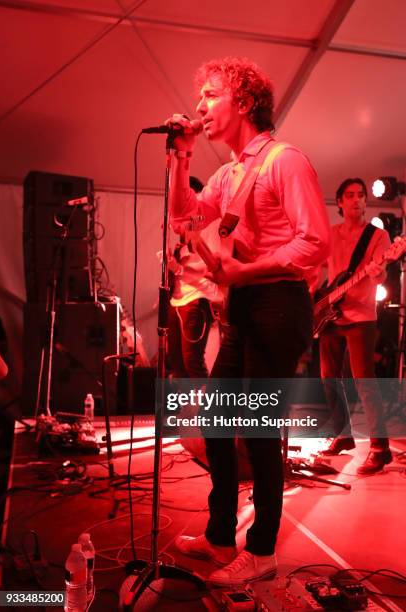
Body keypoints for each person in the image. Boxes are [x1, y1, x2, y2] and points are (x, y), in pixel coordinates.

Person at [166, 56, 330, 586]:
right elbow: (183, 215)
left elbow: (314, 243)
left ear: (244, 102)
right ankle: (219, 537)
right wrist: (180, 154)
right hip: (241, 302)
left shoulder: (286, 161)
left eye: (211, 95)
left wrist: (245, 270)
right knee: (216, 420)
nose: (200, 106)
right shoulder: (229, 173)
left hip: (278, 305)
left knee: (259, 431)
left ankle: (261, 550)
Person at [319, 178, 393, 474]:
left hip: (361, 314)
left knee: (365, 381)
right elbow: (320, 272)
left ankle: (380, 447)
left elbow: (380, 275)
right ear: (339, 202)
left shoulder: (378, 235)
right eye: (349, 195)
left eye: (361, 196)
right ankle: (342, 434)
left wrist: (377, 273)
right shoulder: (330, 233)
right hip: (330, 313)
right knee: (328, 378)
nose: (357, 200)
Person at [167, 176, 219, 379]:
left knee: (192, 361)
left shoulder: (208, 222)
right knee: (177, 361)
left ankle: (206, 409)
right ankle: (188, 409)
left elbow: (211, 265)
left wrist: (179, 270)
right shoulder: (185, 223)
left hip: (196, 298)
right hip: (178, 298)